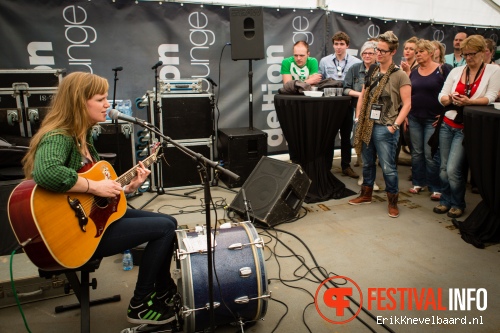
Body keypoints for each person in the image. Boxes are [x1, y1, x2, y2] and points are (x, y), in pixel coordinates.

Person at [21, 72, 178, 325]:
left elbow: (97, 191)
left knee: (169, 222)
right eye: (101, 99)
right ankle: (140, 302)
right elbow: (46, 172)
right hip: (79, 232)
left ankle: (162, 291)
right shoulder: (58, 136)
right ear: (78, 102)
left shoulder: (83, 138)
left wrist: (126, 190)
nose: (108, 105)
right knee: (163, 229)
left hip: (95, 218)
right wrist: (95, 187)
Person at [434, 35, 500, 218]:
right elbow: (442, 95)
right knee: (443, 168)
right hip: (448, 122)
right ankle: (445, 200)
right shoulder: (456, 71)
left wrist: (469, 102)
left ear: (482, 52)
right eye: (466, 54)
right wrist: (449, 99)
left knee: (453, 169)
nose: (469, 58)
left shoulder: (493, 71)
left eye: (472, 54)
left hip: (466, 126)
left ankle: (457, 202)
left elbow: (492, 96)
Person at [348, 31, 412, 218]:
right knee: (367, 163)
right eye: (377, 49)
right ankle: (366, 195)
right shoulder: (372, 70)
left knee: (388, 167)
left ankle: (393, 202)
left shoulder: (400, 75)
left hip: (386, 126)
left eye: (383, 51)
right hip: (367, 124)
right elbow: (363, 94)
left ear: (392, 52)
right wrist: (358, 118)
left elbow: (407, 103)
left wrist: (395, 126)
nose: (379, 53)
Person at [407, 39, 451, 201]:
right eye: (416, 52)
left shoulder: (442, 69)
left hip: (433, 119)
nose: (417, 54)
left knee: (430, 153)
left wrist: (444, 113)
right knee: (417, 153)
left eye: (421, 52)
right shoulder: (414, 71)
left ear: (431, 53)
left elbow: (449, 92)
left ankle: (435, 186)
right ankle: (418, 182)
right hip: (414, 117)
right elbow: (408, 94)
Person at [319, 31, 362, 179]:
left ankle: (346, 165)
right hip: (330, 104)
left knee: (346, 136)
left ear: (347, 45)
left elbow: (357, 83)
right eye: (336, 44)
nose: (339, 47)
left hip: (347, 104)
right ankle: (326, 165)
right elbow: (321, 82)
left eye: (341, 44)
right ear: (333, 45)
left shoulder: (356, 62)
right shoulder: (325, 61)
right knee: (329, 135)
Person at [343, 40, 380, 190]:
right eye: (364, 53)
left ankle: (371, 178)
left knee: (374, 146)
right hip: (357, 111)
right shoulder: (354, 68)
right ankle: (365, 177)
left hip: (376, 113)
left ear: (376, 54)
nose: (367, 55)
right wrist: (361, 94)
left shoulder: (381, 69)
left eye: (370, 53)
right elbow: (345, 89)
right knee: (362, 144)